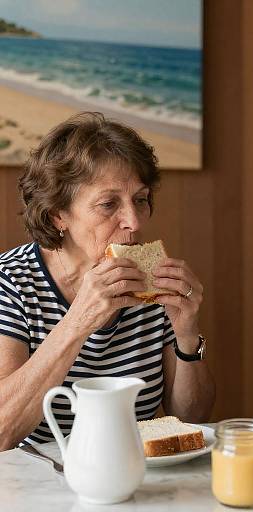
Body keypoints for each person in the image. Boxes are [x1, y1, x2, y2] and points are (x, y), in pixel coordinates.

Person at [0, 112, 215, 449]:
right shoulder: (11, 282)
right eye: (108, 204)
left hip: (137, 477)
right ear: (58, 214)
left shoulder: (153, 287)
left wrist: (187, 334)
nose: (133, 221)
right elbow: (2, 432)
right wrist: (79, 321)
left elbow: (192, 419)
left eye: (140, 200)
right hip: (36, 484)